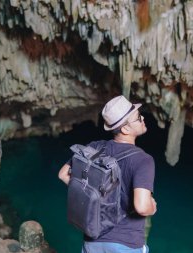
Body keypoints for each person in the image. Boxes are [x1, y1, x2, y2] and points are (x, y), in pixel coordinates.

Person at [58, 95, 157, 253]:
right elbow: (142, 206)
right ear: (125, 129)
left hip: (92, 239)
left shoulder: (94, 147)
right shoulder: (143, 160)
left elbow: (63, 174)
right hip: (126, 243)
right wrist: (152, 206)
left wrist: (93, 197)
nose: (142, 118)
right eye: (138, 117)